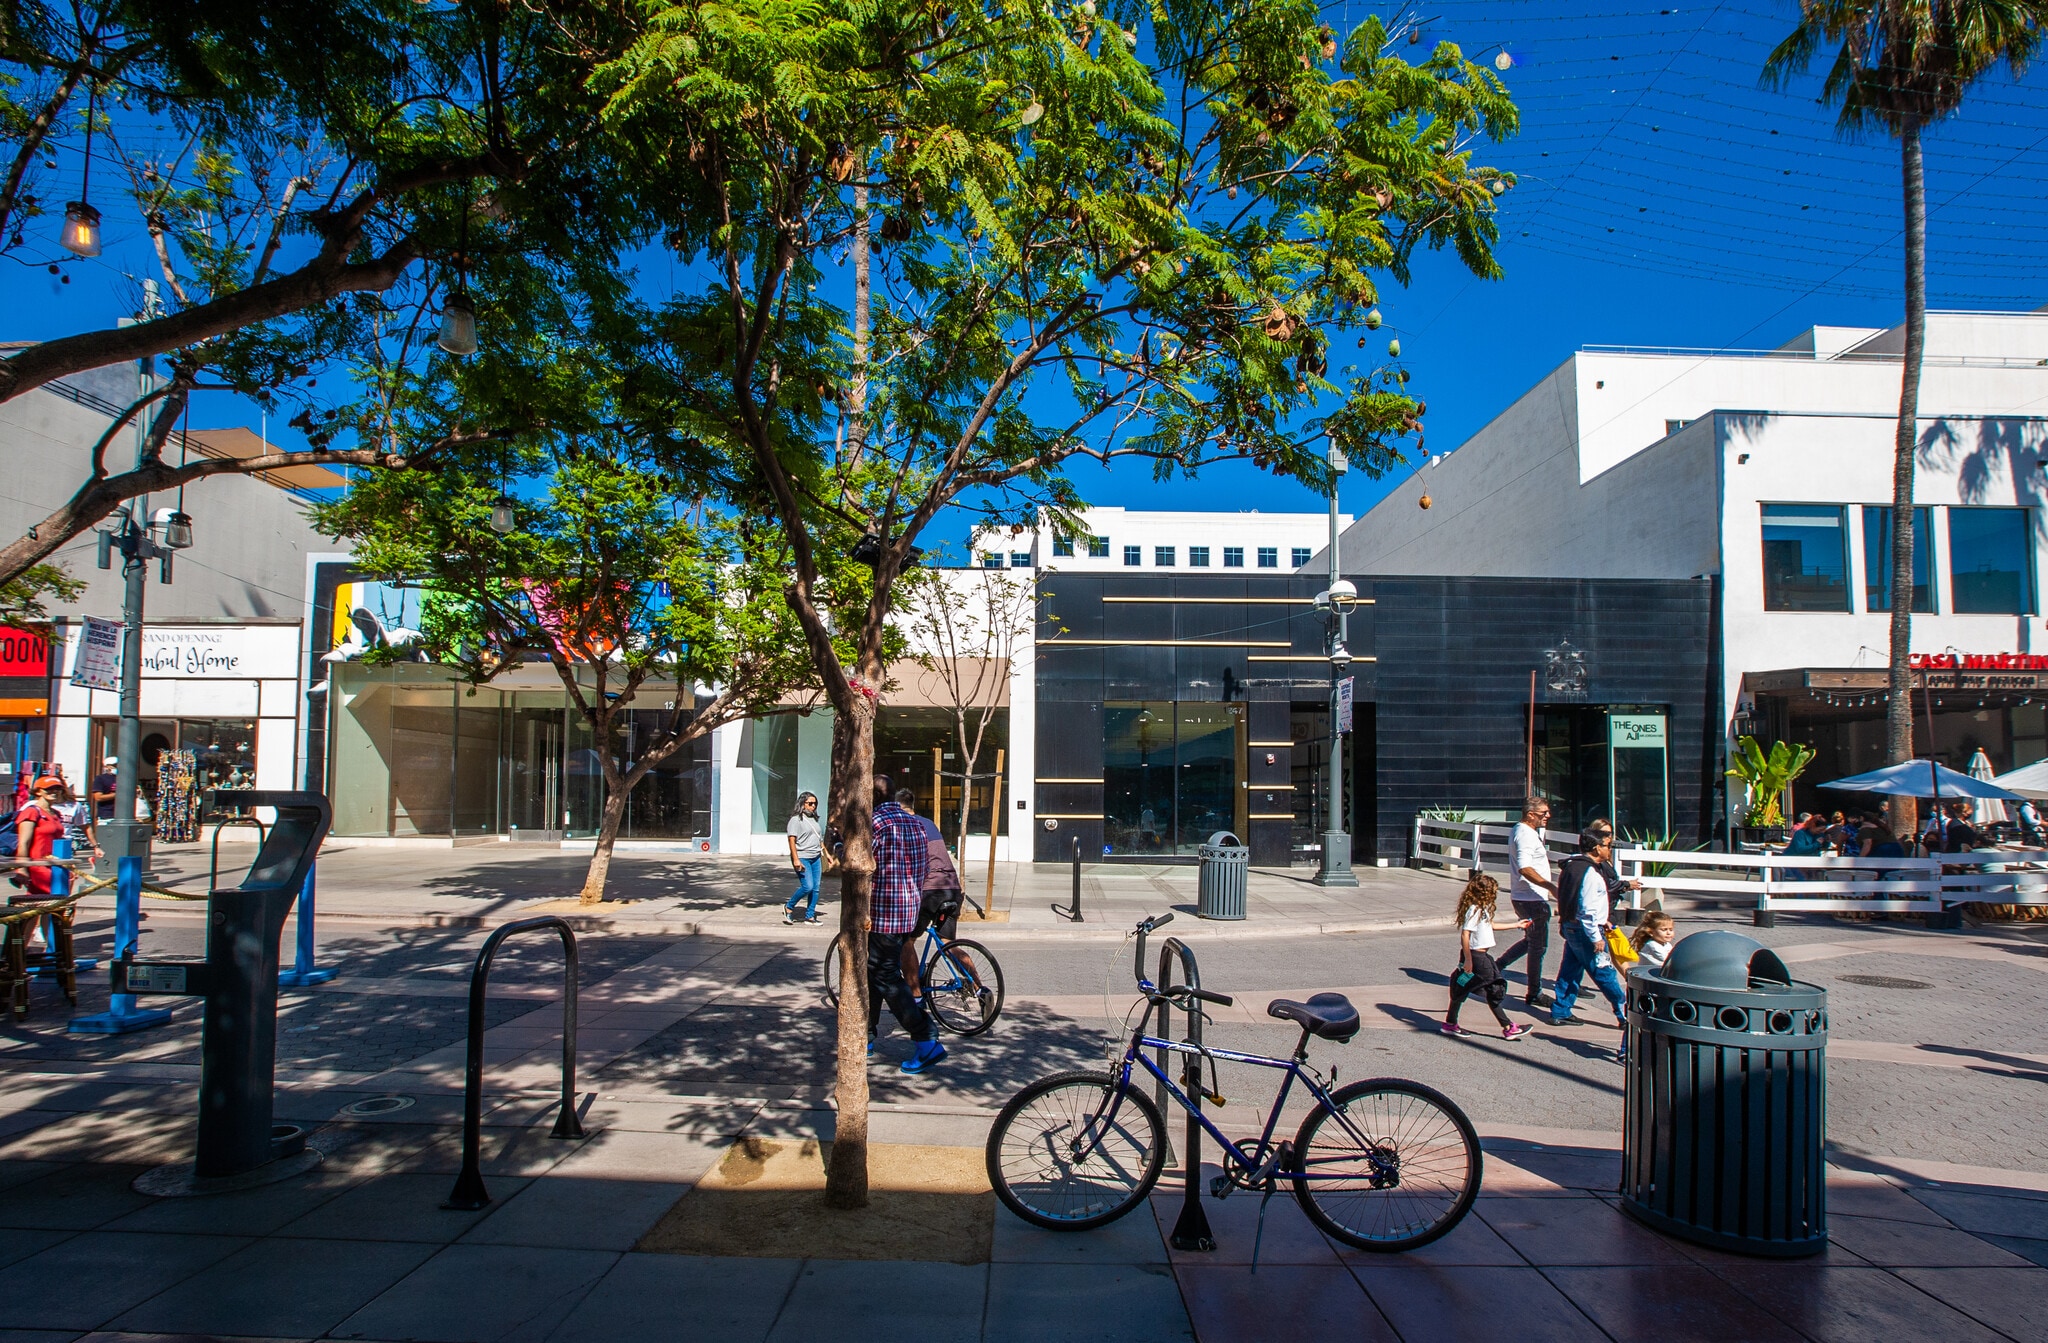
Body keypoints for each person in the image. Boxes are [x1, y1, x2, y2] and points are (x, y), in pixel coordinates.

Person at [868, 775, 943, 1074]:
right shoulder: (914, 822)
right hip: (908, 910)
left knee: (884, 974)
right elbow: (924, 866)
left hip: (882, 911)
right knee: (872, 972)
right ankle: (867, 1035)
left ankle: (926, 1037)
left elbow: (858, 862)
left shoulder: (875, 822)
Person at [1550, 822, 1638, 1063]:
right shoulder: (1591, 873)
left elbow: (1569, 899)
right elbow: (1588, 909)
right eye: (1607, 846)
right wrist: (1597, 936)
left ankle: (1560, 1010)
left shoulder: (1571, 867)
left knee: (1570, 970)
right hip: (1586, 931)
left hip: (1572, 926)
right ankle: (1623, 1011)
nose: (1609, 850)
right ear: (1596, 848)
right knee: (1604, 971)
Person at [893, 789, 976, 999]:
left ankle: (916, 995)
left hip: (930, 890)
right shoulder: (928, 823)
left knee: (906, 941)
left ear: (897, 807)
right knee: (948, 942)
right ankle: (979, 988)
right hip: (951, 887)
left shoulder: (905, 826)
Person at [1442, 873, 1533, 1041]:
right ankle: (1508, 1027)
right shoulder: (1474, 909)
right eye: (1494, 891)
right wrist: (1468, 959)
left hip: (1480, 956)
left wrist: (1517, 924)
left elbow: (1491, 926)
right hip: (1476, 957)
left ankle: (1450, 1023)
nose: (1495, 894)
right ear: (1485, 892)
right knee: (1494, 988)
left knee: (1462, 987)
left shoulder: (1481, 909)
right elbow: (1465, 934)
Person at [1493, 797, 1557, 1008]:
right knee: (1538, 946)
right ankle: (1534, 992)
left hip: (1525, 897)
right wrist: (1549, 886)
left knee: (1530, 941)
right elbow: (1524, 867)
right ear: (1531, 814)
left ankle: (1497, 965)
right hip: (1531, 898)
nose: (1547, 816)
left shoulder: (1520, 831)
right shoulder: (1525, 835)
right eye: (1543, 813)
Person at [782, 791, 824, 925]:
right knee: (808, 886)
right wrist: (796, 859)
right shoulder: (795, 820)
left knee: (816, 887)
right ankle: (789, 907)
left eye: (815, 804)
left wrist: (827, 855)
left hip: (816, 856)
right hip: (802, 856)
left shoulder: (814, 819)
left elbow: (819, 840)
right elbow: (791, 841)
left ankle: (810, 916)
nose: (813, 806)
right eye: (810, 803)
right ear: (802, 804)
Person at [90, 756, 118, 822]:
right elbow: (98, 797)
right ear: (107, 767)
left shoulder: (125, 779)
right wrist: (117, 795)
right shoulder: (100, 779)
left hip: (124, 815)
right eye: (114, 765)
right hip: (107, 816)